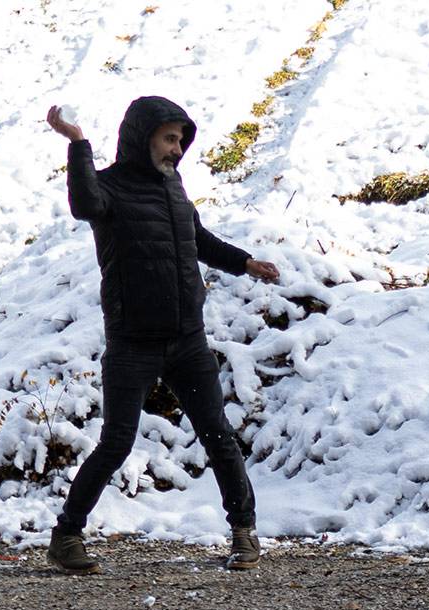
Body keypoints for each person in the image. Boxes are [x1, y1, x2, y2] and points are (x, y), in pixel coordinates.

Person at [44, 96, 279, 575]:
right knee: (116, 442)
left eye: (180, 140)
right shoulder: (108, 188)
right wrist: (79, 144)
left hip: (187, 338)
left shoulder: (174, 188)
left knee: (218, 434)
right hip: (133, 340)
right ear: (141, 136)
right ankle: (67, 536)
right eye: (169, 138)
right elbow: (83, 204)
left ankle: (245, 533)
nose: (176, 149)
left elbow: (199, 238)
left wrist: (245, 263)